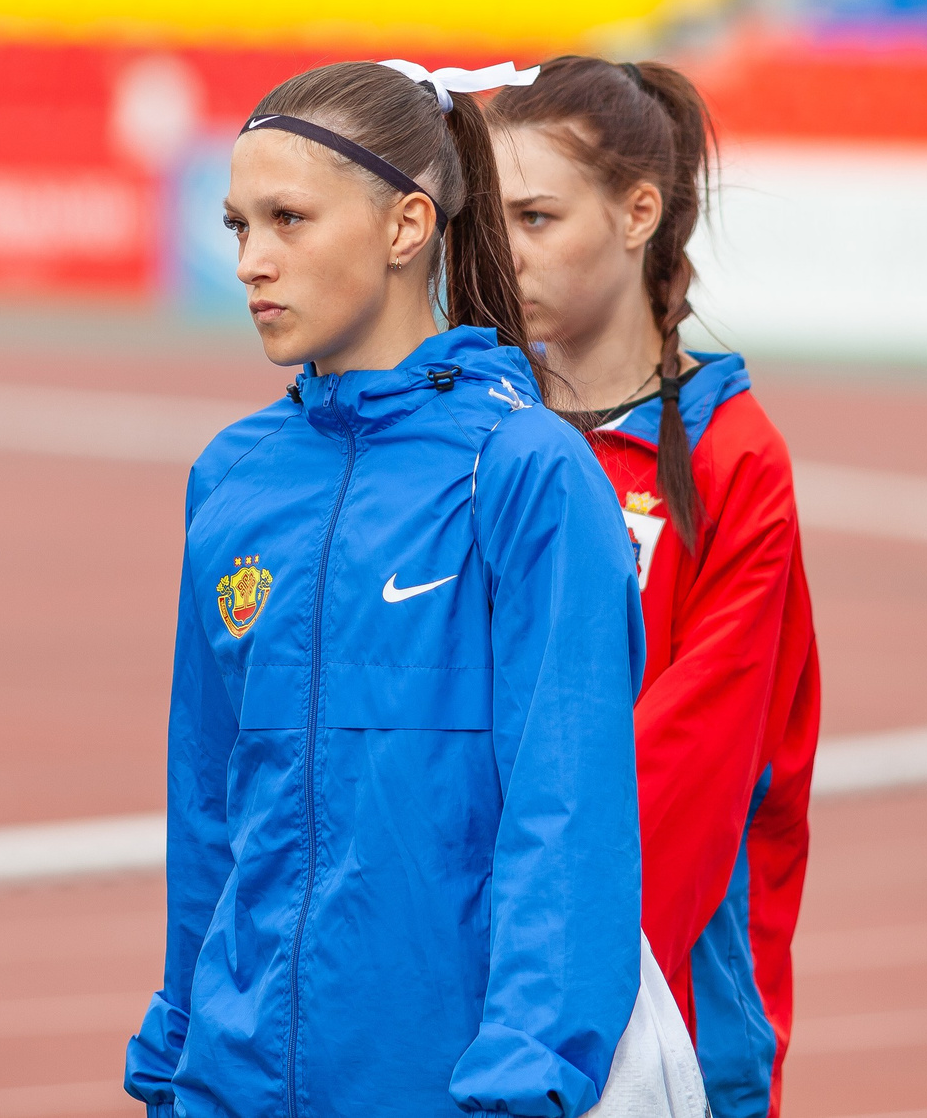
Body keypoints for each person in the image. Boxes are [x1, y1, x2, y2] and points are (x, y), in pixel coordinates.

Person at [125, 59, 647, 1117]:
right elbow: (208, 800)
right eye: (237, 227)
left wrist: (525, 1071)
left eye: (288, 220)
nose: (250, 263)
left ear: (407, 227)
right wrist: (181, 1030)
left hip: (449, 1087)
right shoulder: (233, 477)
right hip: (233, 1082)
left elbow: (567, 810)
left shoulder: (526, 472)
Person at [492, 56, 820, 1118]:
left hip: (655, 982)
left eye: (537, 218)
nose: (505, 254)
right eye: (490, 222)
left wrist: (549, 953)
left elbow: (700, 753)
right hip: (472, 955)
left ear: (638, 213)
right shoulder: (477, 428)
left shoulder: (730, 458)